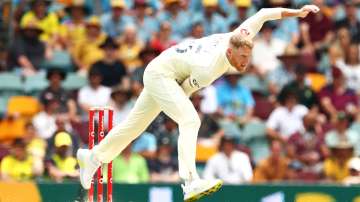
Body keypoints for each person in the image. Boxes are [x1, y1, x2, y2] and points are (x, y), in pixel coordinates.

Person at [77, 5, 320, 202]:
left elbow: (264, 14)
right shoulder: (209, 68)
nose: (246, 63)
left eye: (248, 57)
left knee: (134, 126)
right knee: (190, 119)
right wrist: (168, 104)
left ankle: (93, 157)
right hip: (162, 74)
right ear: (229, 54)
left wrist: (297, 13)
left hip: (166, 70)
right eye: (242, 58)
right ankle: (190, 181)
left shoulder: (241, 36)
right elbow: (182, 92)